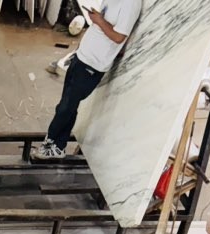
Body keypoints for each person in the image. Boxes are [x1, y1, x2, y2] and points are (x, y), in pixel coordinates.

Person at [35, 0, 142, 159]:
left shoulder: (130, 4)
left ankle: (50, 142)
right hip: (82, 57)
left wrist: (99, 20)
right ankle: (58, 146)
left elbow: (119, 37)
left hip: (92, 65)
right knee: (69, 105)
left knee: (65, 107)